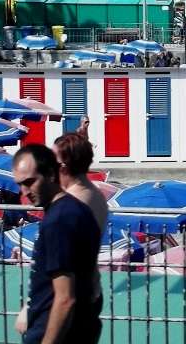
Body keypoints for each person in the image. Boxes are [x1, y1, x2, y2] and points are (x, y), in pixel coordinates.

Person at [12, 144, 102, 344]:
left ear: (51, 174)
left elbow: (64, 298)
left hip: (53, 333)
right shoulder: (76, 209)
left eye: (30, 182)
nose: (24, 191)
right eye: (20, 184)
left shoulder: (58, 220)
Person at [54, 134, 108, 317]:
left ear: (64, 167)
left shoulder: (70, 205)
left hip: (72, 299)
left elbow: (64, 262)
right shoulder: (96, 194)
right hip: (91, 291)